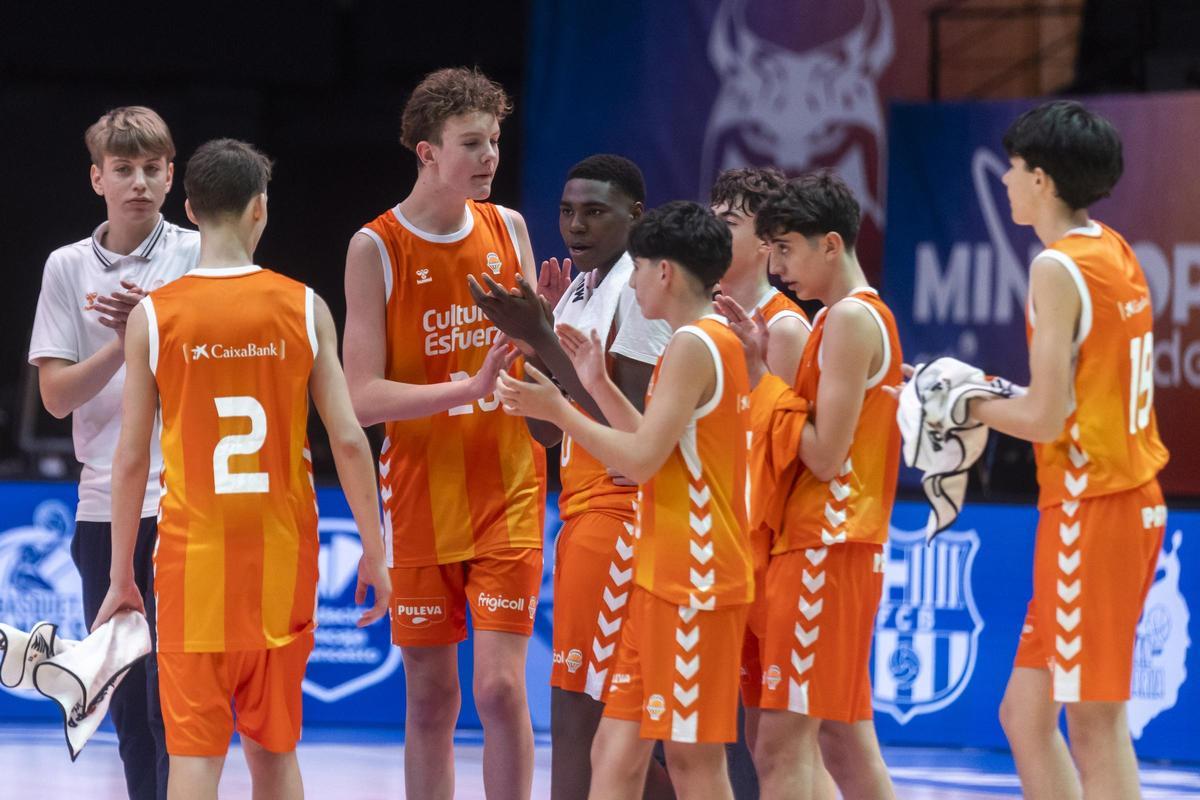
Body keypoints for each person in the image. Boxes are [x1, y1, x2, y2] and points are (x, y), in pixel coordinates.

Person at [93, 138, 390, 800]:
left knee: (194, 762)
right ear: (261, 208)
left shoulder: (153, 316)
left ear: (190, 208)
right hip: (281, 566)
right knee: (275, 754)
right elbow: (347, 438)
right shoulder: (305, 306)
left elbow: (132, 457)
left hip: (193, 567)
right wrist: (376, 551)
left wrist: (120, 576)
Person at [496, 201, 751, 800]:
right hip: (659, 575)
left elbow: (637, 462)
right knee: (613, 755)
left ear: (663, 272)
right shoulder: (694, 343)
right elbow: (647, 439)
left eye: (636, 269)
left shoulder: (695, 344)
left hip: (696, 579)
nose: (630, 282)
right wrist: (598, 384)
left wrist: (560, 409)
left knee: (693, 765)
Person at [342, 66, 545, 800]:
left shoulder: (509, 228)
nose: (490, 156)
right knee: (430, 698)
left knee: (497, 690)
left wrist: (547, 336)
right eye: (471, 143)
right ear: (427, 152)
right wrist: (467, 386)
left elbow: (533, 361)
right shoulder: (377, 246)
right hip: (422, 494)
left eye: (494, 140)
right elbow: (359, 398)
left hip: (509, 488)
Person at [969, 100, 1168, 800]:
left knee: (1094, 723)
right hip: (1110, 503)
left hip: (1098, 508)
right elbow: (1069, 396)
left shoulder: (1058, 269)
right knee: (1025, 715)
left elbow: (1047, 419)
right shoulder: (1110, 246)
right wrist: (982, 393)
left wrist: (961, 406)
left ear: (1043, 180)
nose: (1006, 181)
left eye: (1015, 169)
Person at [468, 153, 674, 799]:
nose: (575, 225)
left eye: (594, 212)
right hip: (582, 507)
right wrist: (535, 345)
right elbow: (550, 430)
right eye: (566, 211)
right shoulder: (582, 288)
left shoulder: (640, 294)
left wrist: (544, 337)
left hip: (622, 510)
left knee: (578, 706)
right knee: (605, 720)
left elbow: (632, 426)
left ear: (635, 216)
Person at [28, 105, 199, 800]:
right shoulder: (67, 267)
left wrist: (158, 328)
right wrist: (124, 341)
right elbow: (57, 398)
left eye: (153, 168)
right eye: (123, 169)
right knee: (130, 707)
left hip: (195, 500)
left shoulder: (197, 253)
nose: (139, 182)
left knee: (183, 699)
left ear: (171, 174)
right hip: (107, 508)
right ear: (97, 177)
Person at [718, 172, 900, 799]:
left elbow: (824, 456)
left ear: (829, 244)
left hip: (827, 539)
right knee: (842, 743)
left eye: (786, 248)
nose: (779, 264)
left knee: (782, 742)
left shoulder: (850, 318)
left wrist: (761, 376)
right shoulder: (837, 318)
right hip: (824, 539)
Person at [709, 167, 818, 800]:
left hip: (771, 558)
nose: (712, 232)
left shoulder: (786, 328)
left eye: (729, 223)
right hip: (720, 548)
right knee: (727, 739)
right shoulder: (695, 319)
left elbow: (809, 449)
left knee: (786, 745)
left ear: (766, 242)